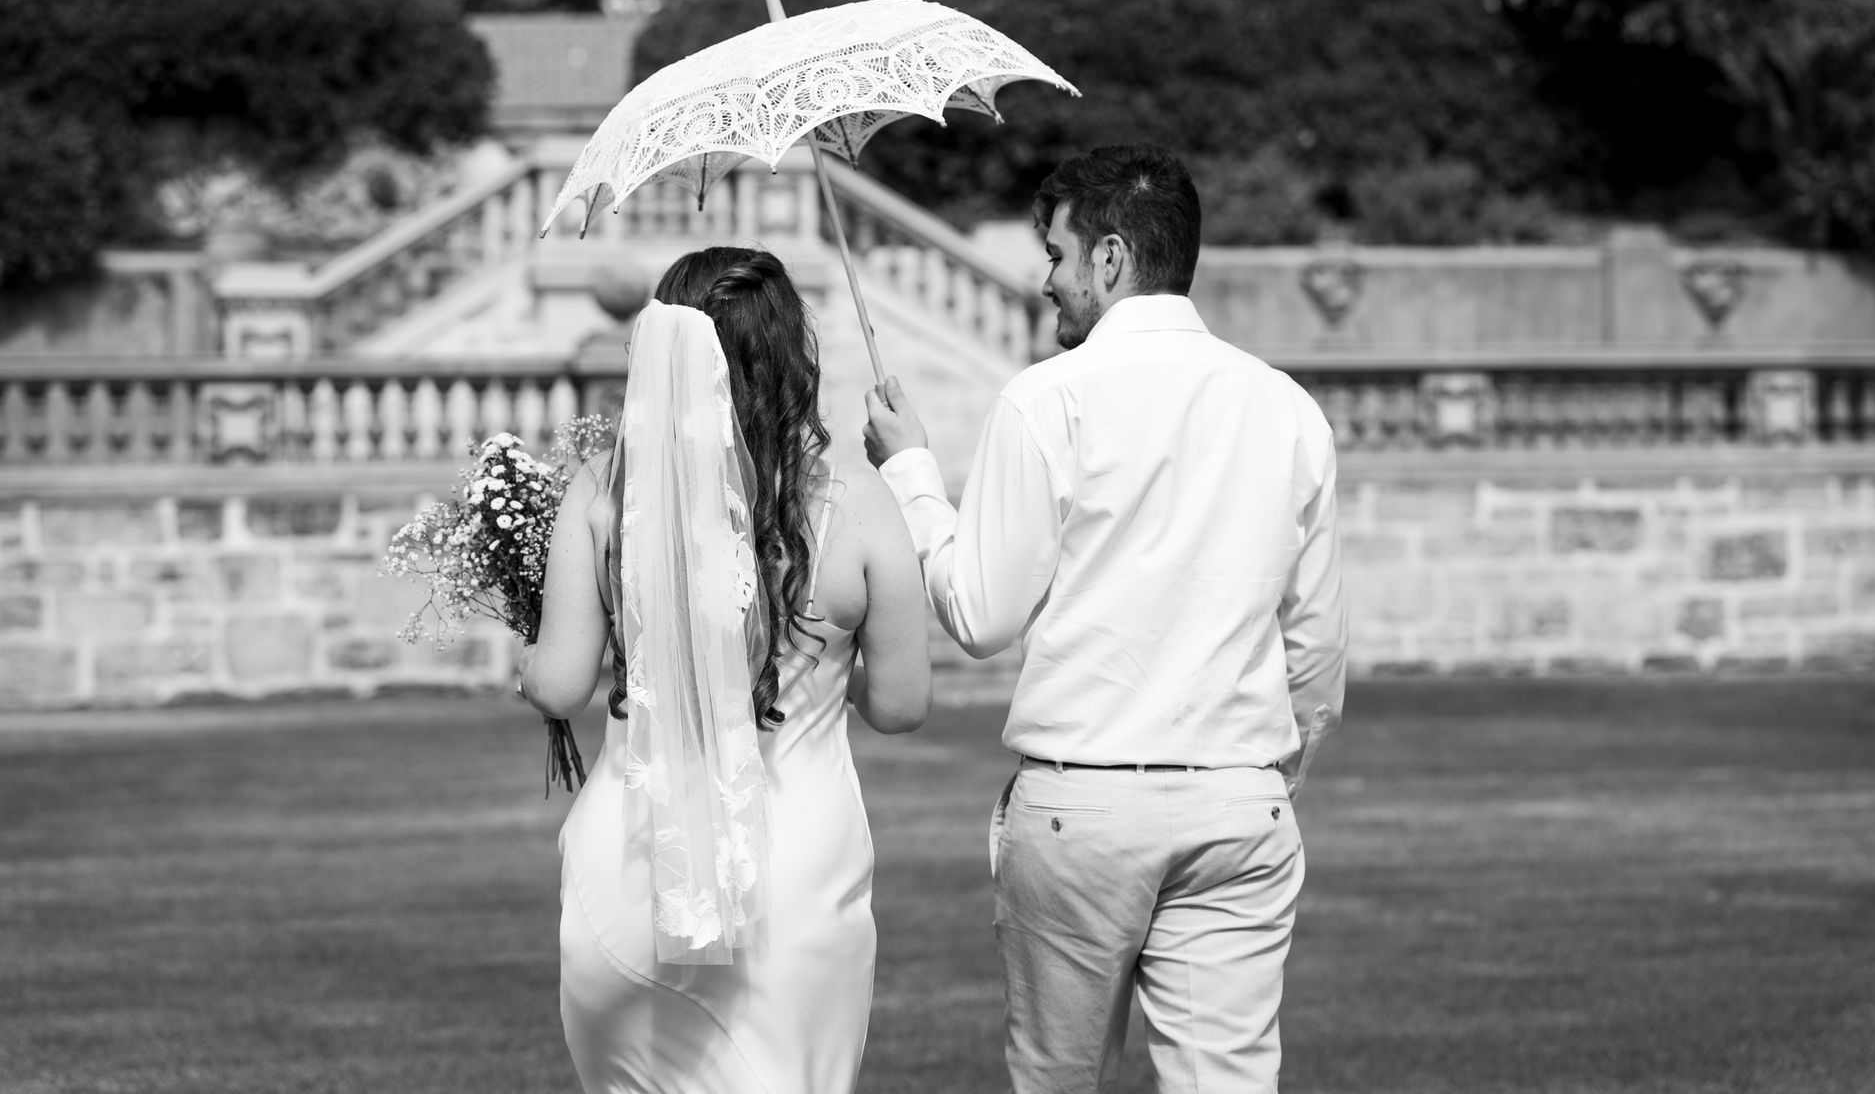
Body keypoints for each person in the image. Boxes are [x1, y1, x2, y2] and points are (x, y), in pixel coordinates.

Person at [862, 144, 1348, 1093]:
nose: (1045, 280)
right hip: (1239, 798)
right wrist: (1271, 773)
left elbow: (978, 611)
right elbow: (1317, 643)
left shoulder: (1051, 398)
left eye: (1055, 255)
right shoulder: (1289, 408)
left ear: (1111, 258)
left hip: (1084, 803)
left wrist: (910, 470)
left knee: (1058, 1083)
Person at [520, 245, 932, 1094]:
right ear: (791, 354)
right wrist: (820, 665)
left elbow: (560, 683)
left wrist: (528, 655)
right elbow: (900, 703)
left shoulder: (603, 492)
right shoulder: (855, 503)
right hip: (794, 868)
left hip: (635, 856)